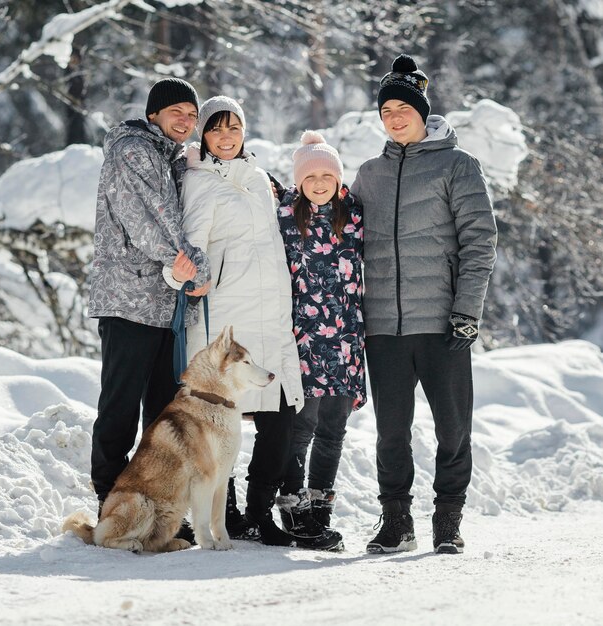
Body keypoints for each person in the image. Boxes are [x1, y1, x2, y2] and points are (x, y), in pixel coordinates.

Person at [351, 54, 497, 554]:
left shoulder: (458, 166)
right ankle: (396, 521)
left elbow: (480, 241)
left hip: (442, 322)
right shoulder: (369, 174)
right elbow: (339, 238)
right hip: (384, 327)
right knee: (391, 432)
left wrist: (467, 312)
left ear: (421, 111)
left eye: (402, 108)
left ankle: (448, 519)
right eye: (386, 109)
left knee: (453, 426)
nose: (394, 117)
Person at [163, 95, 306, 547]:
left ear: (245, 133)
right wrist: (184, 278)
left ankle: (259, 513)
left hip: (271, 315)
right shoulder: (198, 181)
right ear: (203, 136)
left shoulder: (261, 178)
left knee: (279, 418)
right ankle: (224, 512)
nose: (225, 137)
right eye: (216, 128)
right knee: (216, 422)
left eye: (234, 128)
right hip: (225, 322)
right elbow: (191, 248)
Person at [88, 78, 210, 527]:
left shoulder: (173, 158)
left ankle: (156, 506)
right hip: (128, 299)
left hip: (164, 304)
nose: (186, 120)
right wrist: (195, 267)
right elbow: (149, 224)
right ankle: (110, 503)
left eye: (192, 115)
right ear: (154, 113)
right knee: (119, 407)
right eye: (176, 110)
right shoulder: (133, 152)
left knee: (163, 414)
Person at [274, 131, 366, 551]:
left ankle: (319, 508)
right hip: (304, 341)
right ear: (299, 182)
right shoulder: (286, 219)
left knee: (333, 430)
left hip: (346, 340)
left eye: (328, 174)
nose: (320, 182)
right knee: (301, 426)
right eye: (311, 176)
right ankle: (292, 507)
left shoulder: (354, 217)